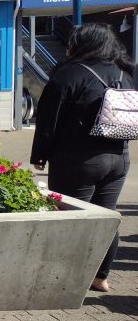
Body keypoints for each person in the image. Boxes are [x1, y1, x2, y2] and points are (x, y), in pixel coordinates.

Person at [30, 22, 134, 293]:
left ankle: (62, 279)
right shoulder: (124, 72)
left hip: (77, 161)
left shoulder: (69, 74)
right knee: (106, 218)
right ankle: (100, 277)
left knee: (69, 220)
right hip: (119, 156)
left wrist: (39, 155)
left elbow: (47, 120)